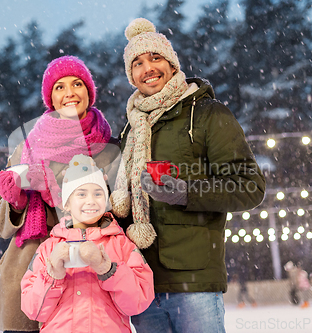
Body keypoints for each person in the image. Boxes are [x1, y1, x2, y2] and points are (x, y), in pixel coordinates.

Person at [114, 18, 266, 332]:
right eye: (138, 63)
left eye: (155, 58)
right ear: (132, 76)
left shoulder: (207, 114)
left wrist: (186, 193)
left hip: (194, 280)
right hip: (143, 283)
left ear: (171, 64)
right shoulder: (130, 128)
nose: (148, 69)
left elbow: (250, 187)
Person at [0, 55, 121, 333]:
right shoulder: (26, 148)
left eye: (77, 84)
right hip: (28, 273)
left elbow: (117, 210)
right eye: (59, 87)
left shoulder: (107, 148)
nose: (69, 93)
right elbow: (0, 225)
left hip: (84, 274)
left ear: (89, 92)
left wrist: (56, 180)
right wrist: (15, 200)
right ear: (51, 98)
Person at [21, 154, 154, 332]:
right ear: (67, 204)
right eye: (81, 194)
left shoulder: (122, 244)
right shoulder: (48, 249)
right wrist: (53, 274)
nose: (91, 200)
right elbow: (33, 310)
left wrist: (107, 268)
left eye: (98, 193)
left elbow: (139, 302)